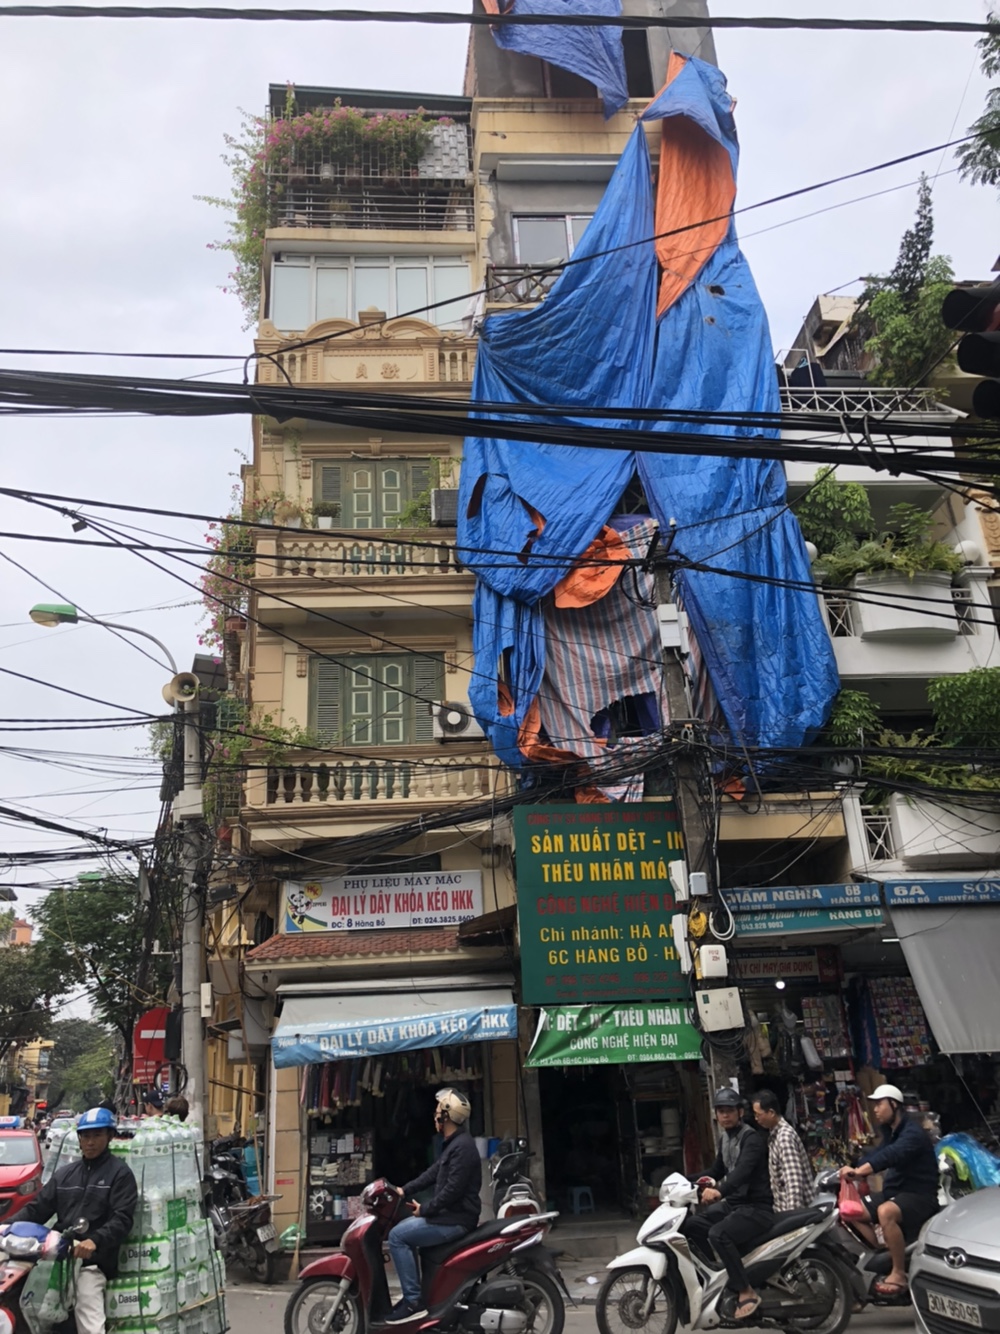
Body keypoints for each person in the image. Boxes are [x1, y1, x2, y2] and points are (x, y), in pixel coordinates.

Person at [9, 1106, 137, 1334]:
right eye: (85, 1136)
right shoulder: (65, 1174)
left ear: (110, 1136)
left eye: (97, 1135)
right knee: (21, 1305)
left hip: (91, 1265)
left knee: (90, 1324)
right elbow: (37, 1209)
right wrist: (6, 1226)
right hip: (55, 1261)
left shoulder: (120, 1174)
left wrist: (94, 1241)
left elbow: (122, 1219)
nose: (90, 1142)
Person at [386, 1087, 482, 1323]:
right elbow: (432, 1173)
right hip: (448, 1217)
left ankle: (413, 1302)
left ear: (446, 1116)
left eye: (438, 1110)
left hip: (456, 1220)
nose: (435, 1114)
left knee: (397, 1237)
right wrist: (403, 1190)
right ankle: (417, 1296)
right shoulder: (454, 1144)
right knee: (405, 1231)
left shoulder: (462, 1148)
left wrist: (425, 1210)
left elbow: (452, 1192)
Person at [839, 1083, 939, 1298]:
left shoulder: (912, 1133)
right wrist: (854, 1167)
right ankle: (885, 1255)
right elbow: (879, 1152)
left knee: (885, 1212)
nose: (875, 1109)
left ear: (894, 1104)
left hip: (918, 1195)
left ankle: (898, 1272)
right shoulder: (891, 1131)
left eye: (879, 1104)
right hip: (894, 1192)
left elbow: (890, 1155)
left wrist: (860, 1172)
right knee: (850, 1210)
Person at [683, 1087, 773, 1322]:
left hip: (756, 1208)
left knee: (718, 1234)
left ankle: (746, 1290)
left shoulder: (751, 1139)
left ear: (740, 1112)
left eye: (729, 1111)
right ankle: (712, 1281)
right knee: (692, 1226)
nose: (725, 1115)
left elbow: (742, 1172)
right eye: (721, 1111)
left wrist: (719, 1191)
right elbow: (716, 1172)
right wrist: (684, 1180)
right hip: (735, 1205)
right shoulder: (726, 1138)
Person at [752, 1090, 816, 1213]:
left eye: (758, 1114)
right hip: (782, 1210)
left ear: (771, 1113)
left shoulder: (784, 1138)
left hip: (796, 1212)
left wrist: (792, 1216)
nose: (756, 1118)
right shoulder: (774, 1135)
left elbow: (794, 1182)